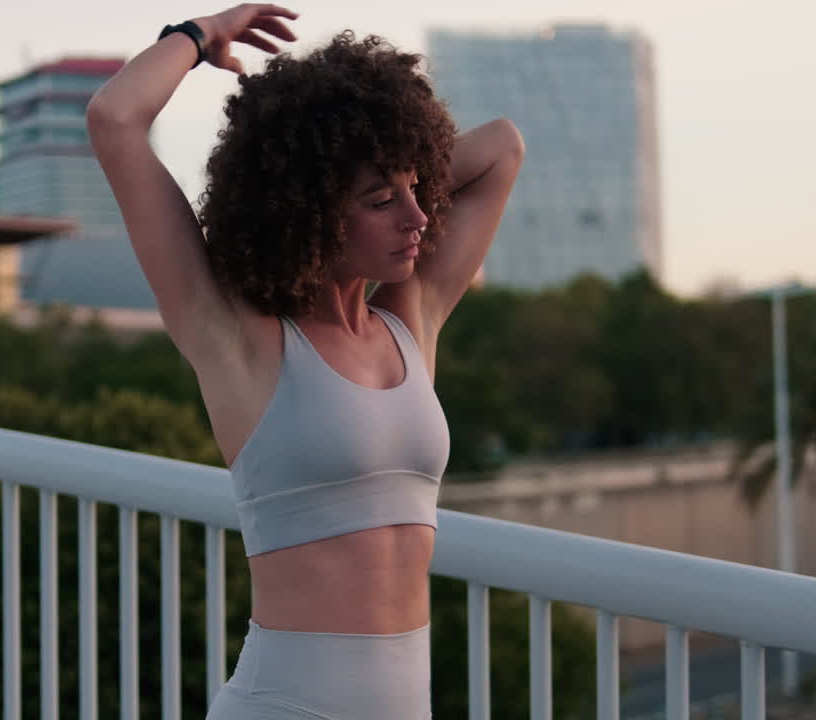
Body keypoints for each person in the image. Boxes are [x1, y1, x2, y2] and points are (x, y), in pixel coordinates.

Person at [87, 4, 523, 718]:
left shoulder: (411, 320)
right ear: (307, 212)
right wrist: (201, 36)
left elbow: (503, 148)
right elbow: (114, 118)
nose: (418, 217)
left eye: (418, 188)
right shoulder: (236, 336)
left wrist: (391, 160)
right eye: (382, 200)